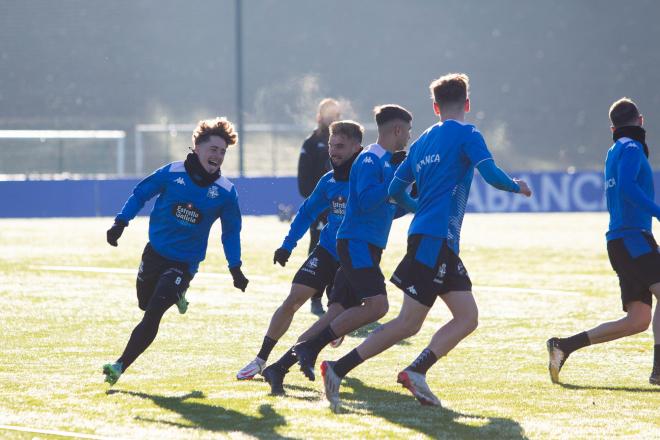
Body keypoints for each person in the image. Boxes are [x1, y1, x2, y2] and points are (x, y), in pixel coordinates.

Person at [320, 73, 532, 411]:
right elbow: (490, 174)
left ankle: (416, 370)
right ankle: (338, 368)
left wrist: (421, 209)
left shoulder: (419, 144)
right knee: (408, 322)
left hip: (429, 237)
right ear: (467, 103)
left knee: (467, 317)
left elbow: (394, 191)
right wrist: (516, 185)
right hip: (436, 240)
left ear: (435, 107)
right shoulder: (468, 133)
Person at [101, 117, 249, 385]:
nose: (218, 156)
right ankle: (177, 294)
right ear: (197, 147)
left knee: (153, 312)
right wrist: (120, 222)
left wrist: (235, 267)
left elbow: (230, 232)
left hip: (184, 263)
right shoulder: (172, 173)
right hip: (155, 253)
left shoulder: (226, 192)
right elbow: (140, 194)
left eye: (223, 152)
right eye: (213, 149)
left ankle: (119, 365)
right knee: (144, 302)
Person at [287, 105, 415, 393]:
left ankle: (283, 364)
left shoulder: (385, 160)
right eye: (407, 129)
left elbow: (386, 209)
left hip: (365, 246)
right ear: (396, 130)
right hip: (355, 243)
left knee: (340, 311)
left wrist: (414, 201)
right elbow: (368, 199)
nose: (409, 135)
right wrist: (397, 182)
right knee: (378, 306)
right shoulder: (371, 159)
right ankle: (313, 351)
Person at [235, 120, 362, 381]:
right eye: (331, 146)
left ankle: (288, 363)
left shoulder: (367, 179)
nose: (333, 152)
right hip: (327, 249)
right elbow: (305, 213)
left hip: (354, 258)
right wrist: (287, 245)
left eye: (340, 146)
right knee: (293, 299)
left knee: (333, 314)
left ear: (356, 147)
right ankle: (261, 359)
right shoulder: (328, 181)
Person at [547, 98, 660, 385]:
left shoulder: (614, 150)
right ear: (641, 121)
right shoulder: (633, 147)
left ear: (613, 127)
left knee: (638, 320)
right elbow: (626, 187)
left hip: (619, 242)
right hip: (633, 238)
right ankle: (659, 371)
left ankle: (564, 346)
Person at [298, 98, 342, 316]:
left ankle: (338, 299)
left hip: (342, 211)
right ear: (319, 116)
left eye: (336, 114)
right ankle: (315, 298)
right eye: (328, 114)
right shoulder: (311, 143)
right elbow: (303, 183)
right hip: (319, 210)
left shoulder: (347, 143)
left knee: (343, 250)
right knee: (317, 248)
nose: (332, 118)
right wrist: (319, 201)